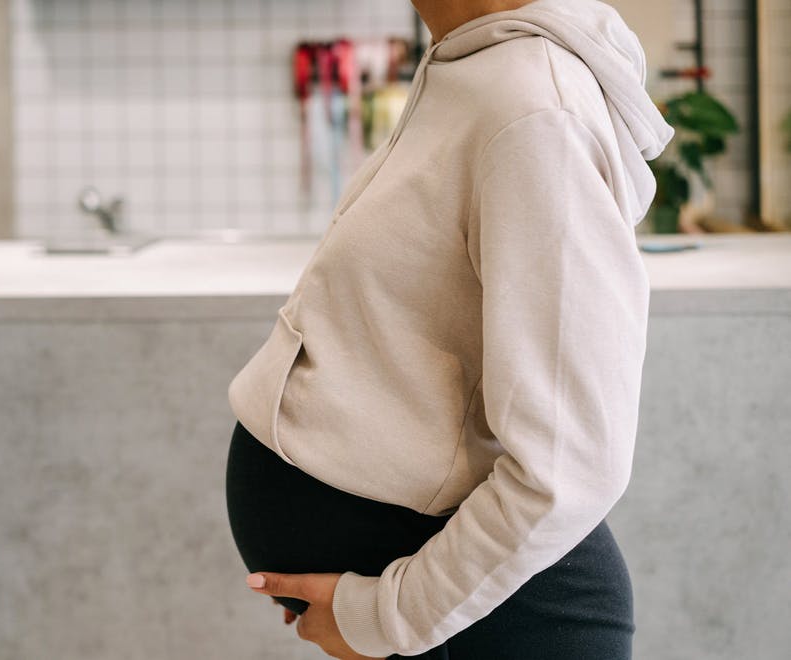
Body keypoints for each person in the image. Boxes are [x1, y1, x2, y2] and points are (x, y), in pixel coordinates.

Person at [225, 0, 674, 658]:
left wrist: (385, 617)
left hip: (515, 623)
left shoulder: (535, 114)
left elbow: (571, 466)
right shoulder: (471, 63)